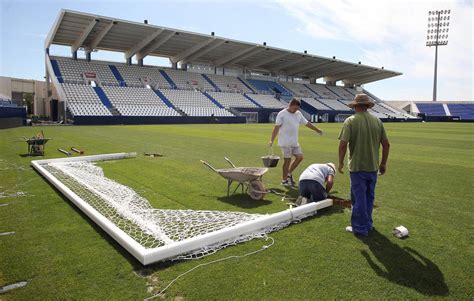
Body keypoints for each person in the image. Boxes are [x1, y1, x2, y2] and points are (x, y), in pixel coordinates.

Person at [338, 94, 390, 237]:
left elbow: (343, 145)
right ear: (367, 106)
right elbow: (386, 144)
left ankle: (360, 228)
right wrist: (383, 163)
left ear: (355, 106)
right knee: (369, 197)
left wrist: (340, 162)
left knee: (358, 198)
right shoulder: (377, 121)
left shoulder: (351, 121)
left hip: (357, 167)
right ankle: (368, 224)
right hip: (373, 167)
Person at [269, 99, 323, 186]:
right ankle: (284, 180)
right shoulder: (282, 114)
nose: (295, 110)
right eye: (294, 108)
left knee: (300, 157)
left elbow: (307, 123)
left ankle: (289, 174)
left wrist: (317, 129)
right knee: (287, 160)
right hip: (285, 142)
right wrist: (271, 140)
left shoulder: (298, 114)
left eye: (297, 109)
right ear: (290, 105)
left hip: (294, 142)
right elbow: (276, 127)